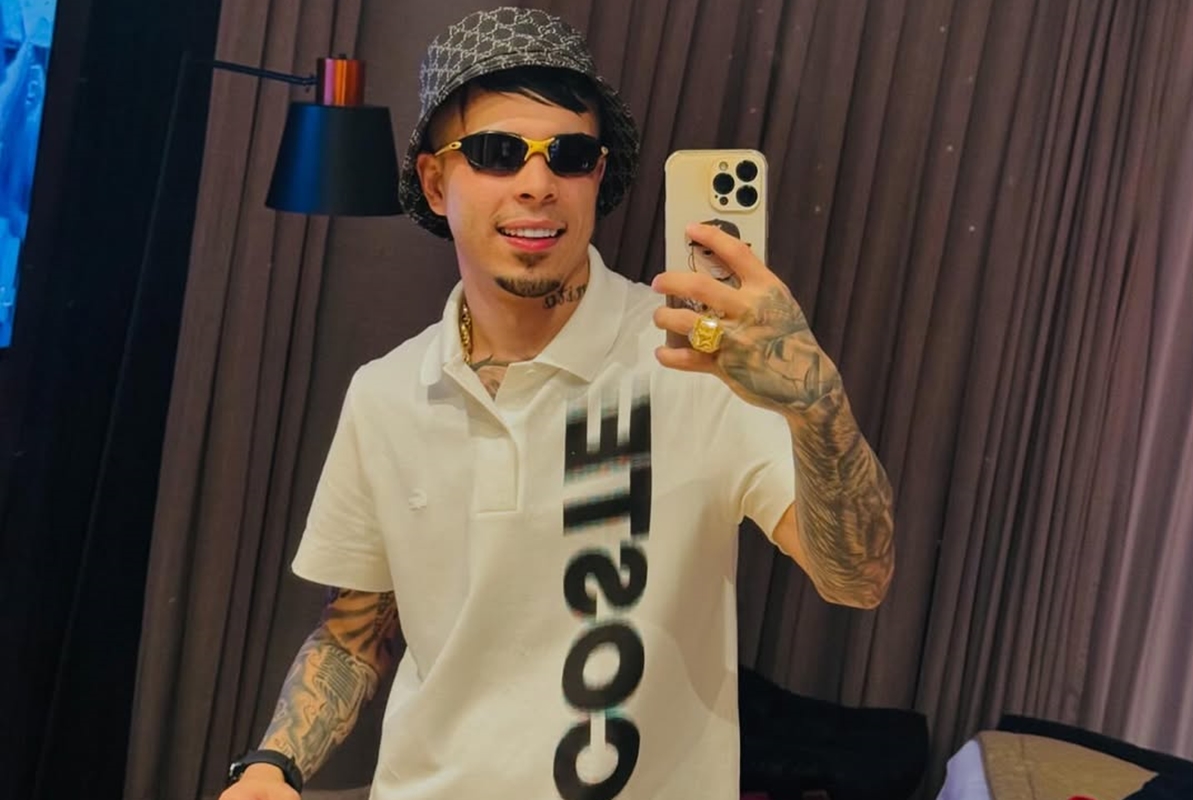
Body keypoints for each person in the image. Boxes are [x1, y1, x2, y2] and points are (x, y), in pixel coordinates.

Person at [219, 7, 894, 800]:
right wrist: (273, 763)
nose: (538, 184)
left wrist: (817, 401)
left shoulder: (699, 362)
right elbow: (353, 634)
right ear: (435, 182)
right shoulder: (386, 392)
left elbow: (859, 580)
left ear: (596, 180)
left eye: (569, 156)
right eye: (497, 153)